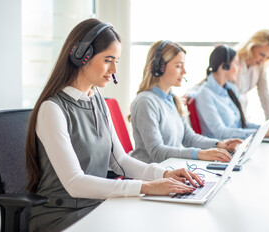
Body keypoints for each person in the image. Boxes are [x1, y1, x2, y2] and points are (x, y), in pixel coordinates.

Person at [25, 19, 204, 232]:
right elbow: (75, 182)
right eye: (108, 60)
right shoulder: (52, 109)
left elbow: (120, 160)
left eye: (116, 60)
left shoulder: (97, 100)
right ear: (81, 55)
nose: (114, 69)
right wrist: (146, 187)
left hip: (97, 207)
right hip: (61, 217)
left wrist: (163, 174)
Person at [129, 40, 242, 164]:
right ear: (159, 67)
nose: (184, 72)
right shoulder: (146, 102)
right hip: (150, 176)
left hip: (170, 172)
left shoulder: (172, 100)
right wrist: (200, 154)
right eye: (178, 66)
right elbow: (157, 151)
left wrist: (219, 144)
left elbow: (188, 138)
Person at [194, 45, 269, 140]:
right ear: (225, 66)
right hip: (220, 149)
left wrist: (268, 129)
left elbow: (243, 125)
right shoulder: (205, 94)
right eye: (237, 63)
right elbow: (220, 132)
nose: (240, 68)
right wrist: (260, 133)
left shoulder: (232, 89)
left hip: (239, 145)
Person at [235, 29, 269, 134]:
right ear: (251, 47)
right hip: (228, 117)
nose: (263, 60)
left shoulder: (259, 66)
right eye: (261, 54)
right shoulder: (233, 60)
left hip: (241, 117)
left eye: (268, 57)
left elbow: (264, 94)